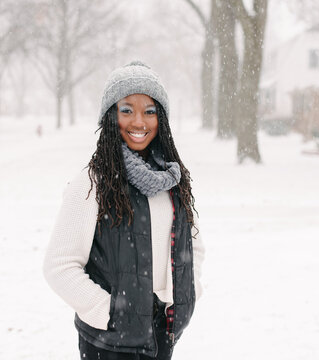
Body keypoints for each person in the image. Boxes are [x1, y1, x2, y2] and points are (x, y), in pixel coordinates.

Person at [42, 61, 205, 360]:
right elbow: (59, 265)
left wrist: (185, 297)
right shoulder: (93, 183)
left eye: (150, 111)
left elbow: (192, 246)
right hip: (108, 341)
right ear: (110, 115)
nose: (139, 121)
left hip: (161, 334)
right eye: (126, 110)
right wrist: (110, 312)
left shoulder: (173, 179)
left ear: (162, 118)